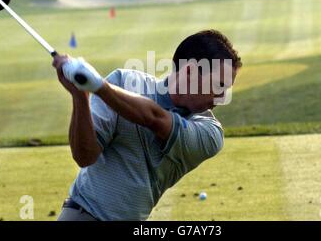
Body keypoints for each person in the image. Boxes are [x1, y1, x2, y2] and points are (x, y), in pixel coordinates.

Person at [52, 29, 242, 221]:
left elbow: (155, 119)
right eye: (219, 85)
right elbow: (84, 156)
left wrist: (100, 88)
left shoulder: (210, 132)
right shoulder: (123, 82)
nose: (222, 98)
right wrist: (80, 97)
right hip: (82, 214)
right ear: (190, 71)